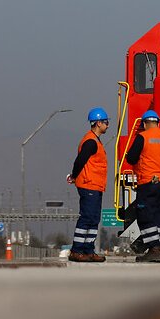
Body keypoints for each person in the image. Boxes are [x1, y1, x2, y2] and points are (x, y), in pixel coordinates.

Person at [125, 110, 160, 262]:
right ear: (158, 123)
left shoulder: (142, 137)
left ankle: (153, 248)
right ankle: (158, 247)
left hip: (149, 181)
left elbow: (131, 158)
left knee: (144, 214)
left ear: (144, 123)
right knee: (159, 215)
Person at [66, 107, 109, 263]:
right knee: (87, 217)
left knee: (94, 218)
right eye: (105, 122)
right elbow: (80, 161)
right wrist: (74, 176)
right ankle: (76, 250)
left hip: (95, 186)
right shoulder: (90, 141)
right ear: (98, 123)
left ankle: (88, 250)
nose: (107, 125)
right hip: (88, 185)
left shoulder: (95, 141)